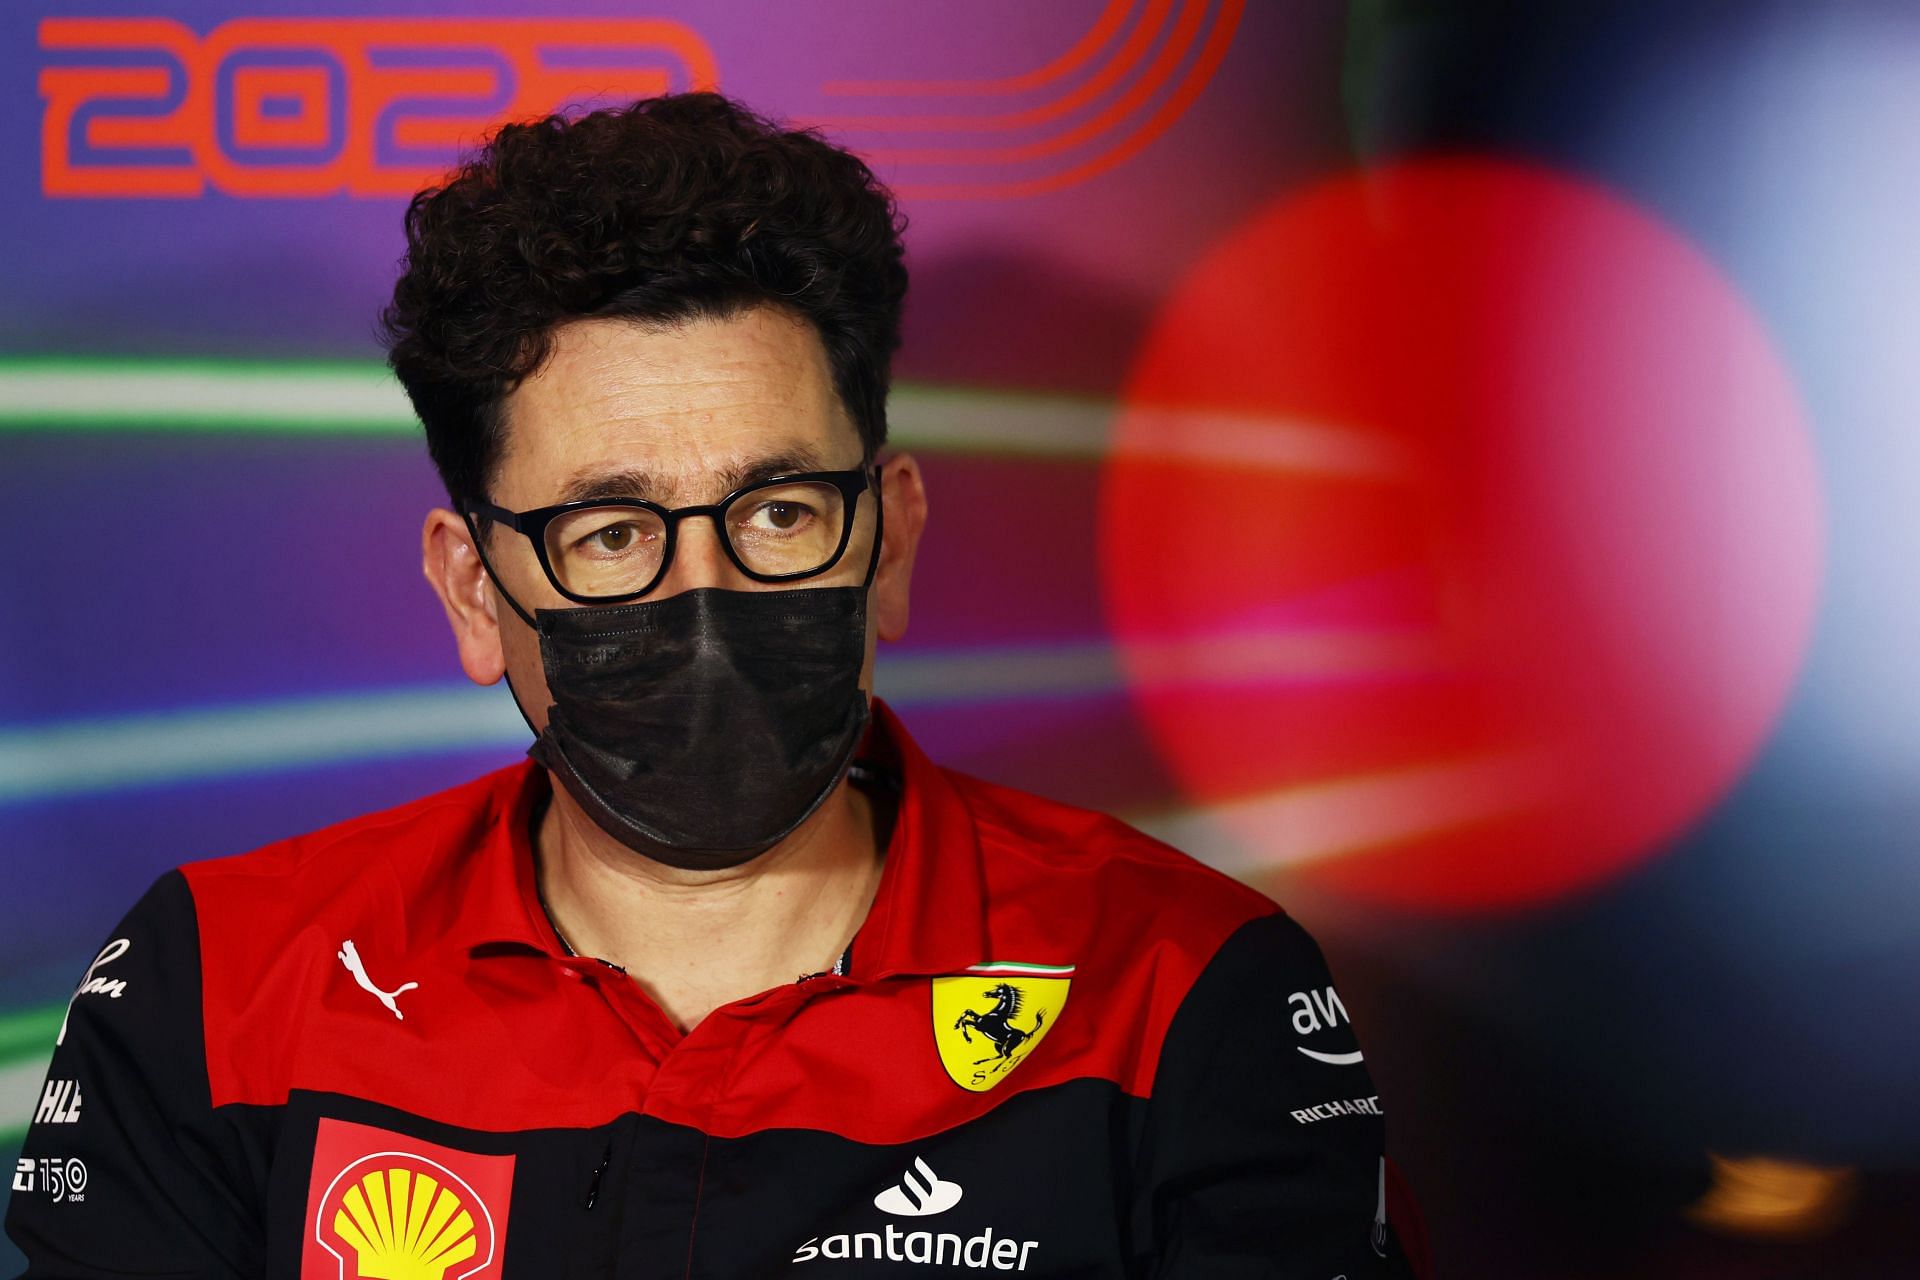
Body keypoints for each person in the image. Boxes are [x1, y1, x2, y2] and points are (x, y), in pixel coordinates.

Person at [7, 92, 1419, 1278]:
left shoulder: (1185, 989)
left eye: (780, 511)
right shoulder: (219, 986)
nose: (707, 598)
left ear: (893, 539)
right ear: (472, 590)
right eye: (610, 532)